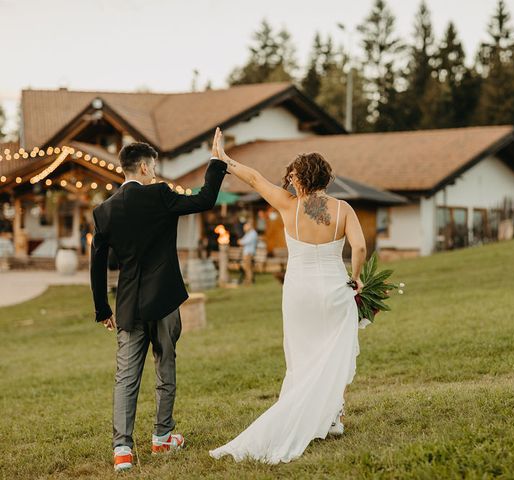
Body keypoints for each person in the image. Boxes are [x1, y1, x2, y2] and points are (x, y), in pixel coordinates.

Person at [209, 128, 367, 464]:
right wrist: (355, 279)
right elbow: (361, 246)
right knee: (332, 353)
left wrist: (223, 159)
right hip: (333, 289)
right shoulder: (343, 210)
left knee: (302, 355)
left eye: (293, 176)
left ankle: (309, 414)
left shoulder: (286, 205)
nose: (290, 181)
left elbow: (253, 178)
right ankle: (334, 418)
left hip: (298, 292)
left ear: (301, 178)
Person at [90, 138, 227, 472]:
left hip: (126, 306)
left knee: (126, 377)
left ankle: (122, 450)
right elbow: (206, 199)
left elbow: (96, 262)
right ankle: (162, 437)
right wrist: (216, 160)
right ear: (145, 167)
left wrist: (102, 309)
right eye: (153, 167)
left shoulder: (105, 210)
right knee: (165, 364)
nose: (154, 172)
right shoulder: (161, 195)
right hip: (163, 299)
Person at [237, 221, 258, 285]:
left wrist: (241, 242)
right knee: (246, 266)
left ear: (249, 225)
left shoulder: (253, 233)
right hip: (246, 252)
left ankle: (249, 281)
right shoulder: (248, 233)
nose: (244, 228)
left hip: (249, 253)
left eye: (245, 226)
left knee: (247, 267)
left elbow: (244, 241)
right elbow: (242, 241)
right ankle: (248, 279)